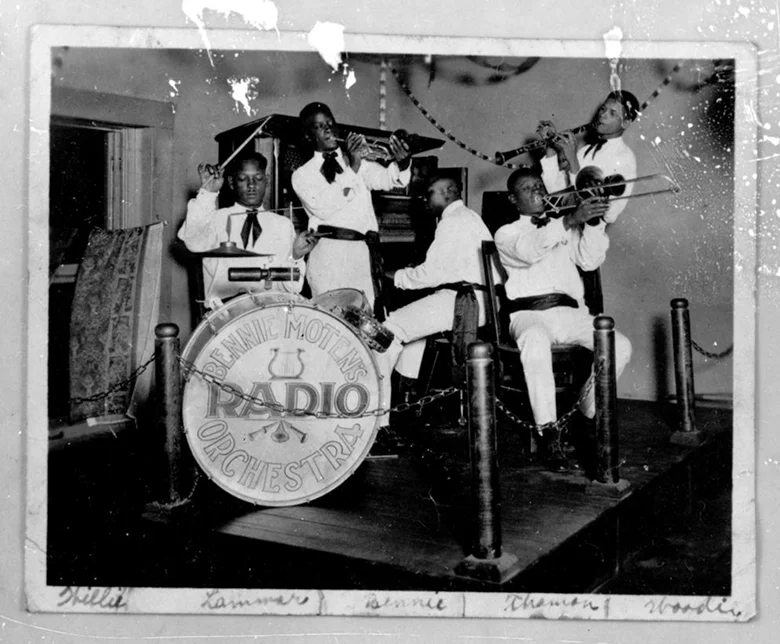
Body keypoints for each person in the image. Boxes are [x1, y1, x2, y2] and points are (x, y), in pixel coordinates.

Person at [494, 167, 632, 478]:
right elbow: (529, 252)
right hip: (529, 314)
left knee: (619, 345)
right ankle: (549, 432)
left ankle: (585, 412)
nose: (537, 191)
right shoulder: (506, 233)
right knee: (534, 341)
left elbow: (590, 260)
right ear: (513, 200)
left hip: (571, 313)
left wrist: (593, 221)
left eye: (539, 185)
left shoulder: (565, 227)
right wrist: (570, 219)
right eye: (528, 188)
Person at [379, 175, 497, 412]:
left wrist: (395, 276)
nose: (425, 199)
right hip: (481, 301)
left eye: (431, 192)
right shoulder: (471, 217)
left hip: (463, 301)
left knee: (388, 330)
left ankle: (380, 414)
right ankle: (407, 399)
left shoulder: (452, 221)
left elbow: (431, 274)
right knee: (414, 333)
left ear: (450, 191)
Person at [291, 102, 411, 320]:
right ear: (308, 136)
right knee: (329, 323)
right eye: (319, 126)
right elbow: (325, 207)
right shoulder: (302, 175)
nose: (328, 129)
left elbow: (387, 179)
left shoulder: (359, 162)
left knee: (364, 322)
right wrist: (352, 167)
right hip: (328, 258)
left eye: (330, 123)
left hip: (361, 257)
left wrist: (402, 164)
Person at [178, 152, 317, 309]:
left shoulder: (282, 225)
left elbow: (292, 288)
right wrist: (208, 193)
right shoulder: (215, 219)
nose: (251, 185)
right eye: (243, 179)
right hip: (225, 314)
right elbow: (193, 242)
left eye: (258, 179)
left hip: (269, 311)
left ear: (267, 180)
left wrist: (296, 256)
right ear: (231, 182)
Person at [537, 90, 639, 225]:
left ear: (625, 123)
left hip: (585, 238)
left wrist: (573, 161)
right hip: (564, 228)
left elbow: (610, 216)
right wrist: (550, 147)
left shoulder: (626, 158)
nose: (602, 115)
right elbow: (555, 192)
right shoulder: (586, 150)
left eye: (612, 113)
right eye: (603, 109)